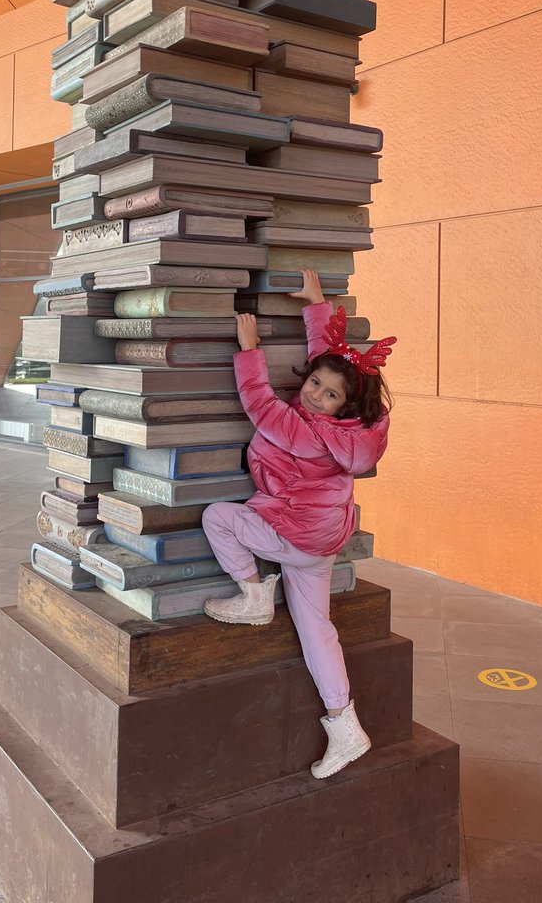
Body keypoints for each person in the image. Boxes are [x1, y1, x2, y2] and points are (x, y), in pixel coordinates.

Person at [202, 269, 395, 779]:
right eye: (314, 384)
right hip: (323, 540)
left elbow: (260, 403)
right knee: (317, 630)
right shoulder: (350, 431)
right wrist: (319, 305)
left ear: (343, 406)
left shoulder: (301, 431)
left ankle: (253, 596)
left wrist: (250, 349)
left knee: (219, 518)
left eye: (329, 395)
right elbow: (327, 361)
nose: (314, 394)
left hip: (291, 533)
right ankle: (345, 724)